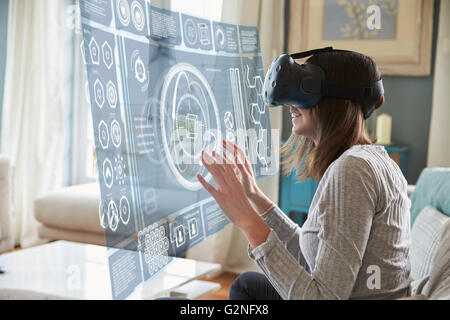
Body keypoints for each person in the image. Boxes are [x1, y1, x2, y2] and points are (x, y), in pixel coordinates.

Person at [197, 50, 411, 300]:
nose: (290, 104)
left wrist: (246, 219)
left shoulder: (353, 170)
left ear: (331, 99)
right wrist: (254, 196)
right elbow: (317, 256)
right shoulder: (373, 160)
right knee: (247, 284)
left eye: (302, 91)